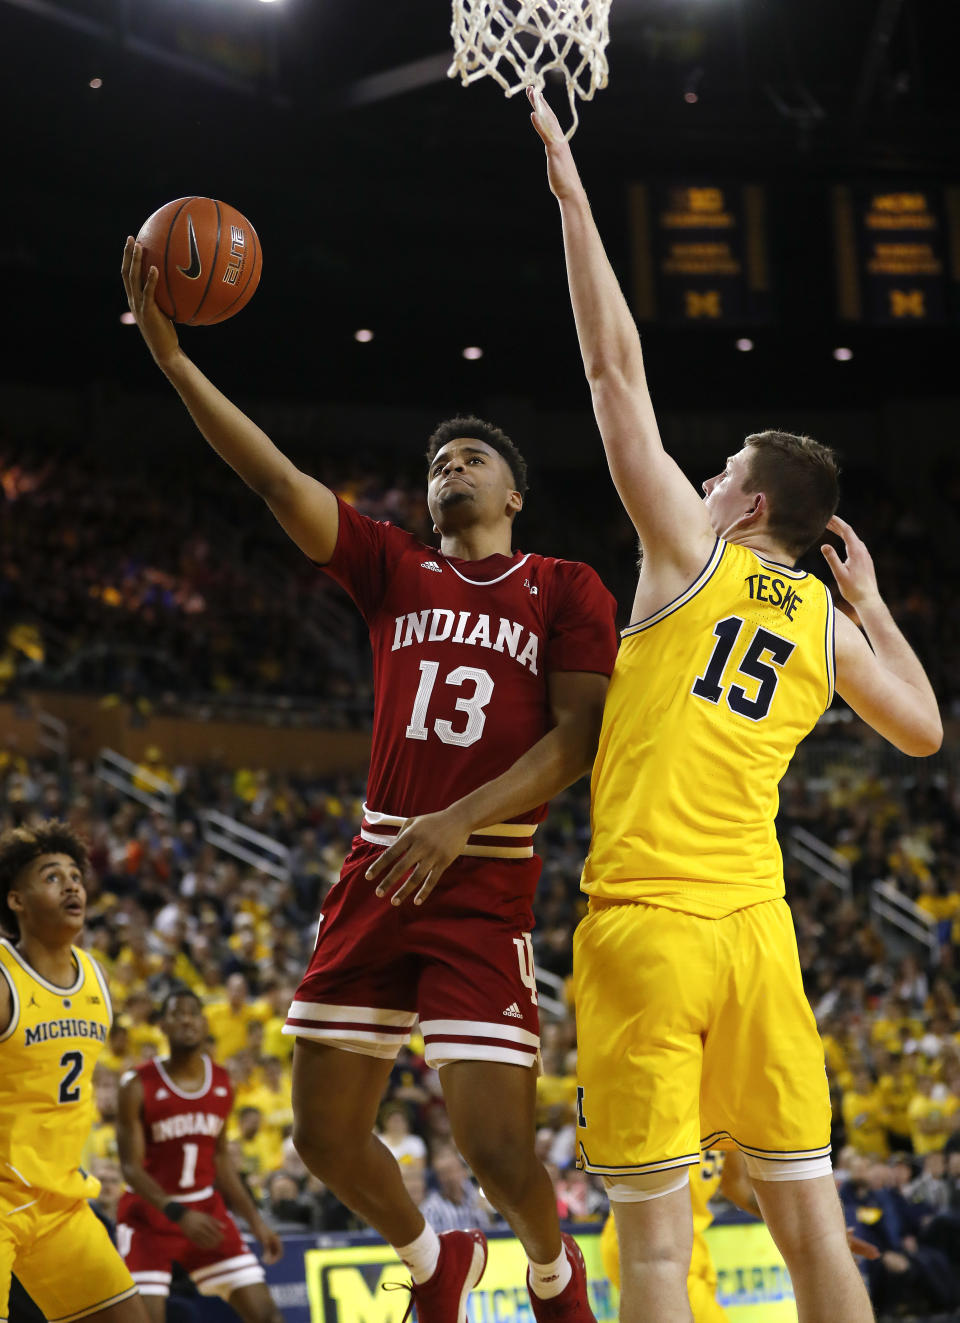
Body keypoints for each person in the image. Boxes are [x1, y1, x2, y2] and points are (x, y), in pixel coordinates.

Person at [121, 237, 619, 1323]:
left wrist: (456, 822)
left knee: (495, 1149)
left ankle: (549, 1267)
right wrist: (173, 361)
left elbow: (579, 741)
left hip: (484, 874)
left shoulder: (564, 585)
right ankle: (434, 1258)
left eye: (475, 457)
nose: (453, 466)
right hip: (381, 861)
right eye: (440, 459)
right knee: (324, 1139)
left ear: (516, 493)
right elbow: (270, 476)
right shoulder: (395, 566)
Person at [528, 88, 942, 1323]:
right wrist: (872, 603)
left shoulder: (685, 559)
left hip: (650, 930)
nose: (698, 482)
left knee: (656, 1250)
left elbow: (612, 369)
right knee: (813, 1234)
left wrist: (572, 193)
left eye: (718, 476)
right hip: (759, 936)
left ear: (750, 509)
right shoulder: (819, 621)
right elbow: (923, 728)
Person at [0, 820, 147, 1322]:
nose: (70, 885)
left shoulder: (96, 978)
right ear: (16, 901)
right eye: (51, 877)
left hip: (60, 1201)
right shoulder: (3, 981)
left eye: (75, 876)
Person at [115, 989, 284, 1322]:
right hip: (149, 1215)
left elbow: (221, 1159)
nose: (187, 1019)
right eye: (177, 1013)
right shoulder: (136, 1084)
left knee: (268, 1317)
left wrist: (256, 1223)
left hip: (206, 1210)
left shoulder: (222, 1081)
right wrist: (178, 1214)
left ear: (205, 1023)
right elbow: (130, 1169)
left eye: (193, 1012)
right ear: (162, 1025)